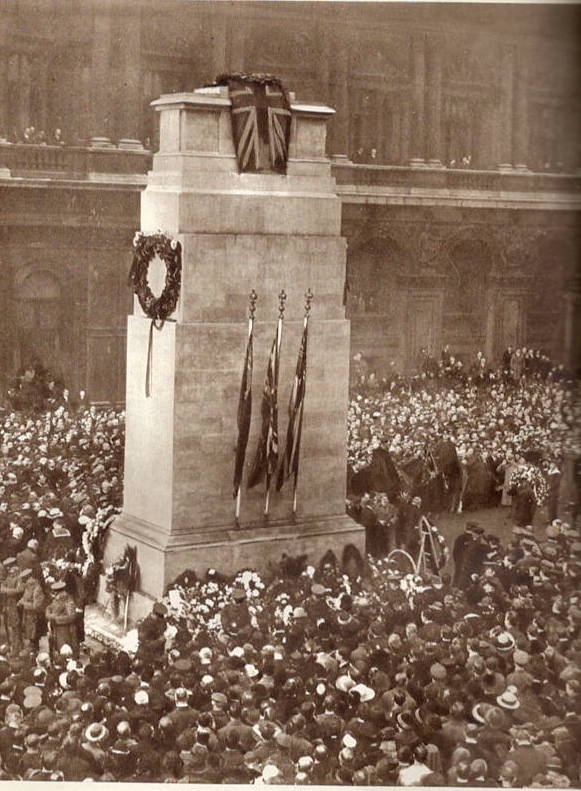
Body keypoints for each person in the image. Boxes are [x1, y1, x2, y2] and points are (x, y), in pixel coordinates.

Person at [45, 580, 78, 658]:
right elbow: (49, 607)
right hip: (56, 630)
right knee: (56, 648)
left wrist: (57, 619)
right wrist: (49, 614)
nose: (55, 595)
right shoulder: (56, 600)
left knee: (65, 650)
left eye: (56, 593)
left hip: (66, 631)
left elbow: (72, 617)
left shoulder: (68, 601)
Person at [17, 568, 46, 651]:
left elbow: (36, 606)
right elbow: (25, 597)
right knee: (30, 638)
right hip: (28, 617)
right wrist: (20, 601)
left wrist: (24, 604)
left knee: (34, 639)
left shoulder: (37, 588)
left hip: (35, 618)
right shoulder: (28, 587)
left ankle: (34, 655)